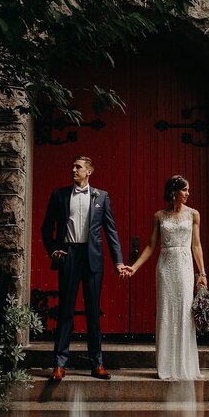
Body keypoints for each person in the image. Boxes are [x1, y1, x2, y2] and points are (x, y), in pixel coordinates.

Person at [41, 156, 125, 381]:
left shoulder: (102, 196)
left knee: (93, 313)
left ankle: (97, 364)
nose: (73, 169)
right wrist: (53, 251)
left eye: (78, 167)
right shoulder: (59, 195)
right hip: (68, 255)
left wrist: (118, 261)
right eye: (72, 166)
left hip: (92, 258)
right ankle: (59, 364)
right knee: (65, 311)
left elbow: (111, 231)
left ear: (89, 171)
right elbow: (46, 228)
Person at [124, 175, 207, 380]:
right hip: (165, 265)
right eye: (184, 190)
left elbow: (196, 245)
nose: (188, 193)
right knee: (166, 311)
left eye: (188, 190)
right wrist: (134, 268)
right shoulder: (159, 216)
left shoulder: (194, 214)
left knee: (185, 312)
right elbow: (151, 246)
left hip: (185, 264)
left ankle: (184, 365)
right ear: (174, 191)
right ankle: (166, 366)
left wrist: (202, 273)